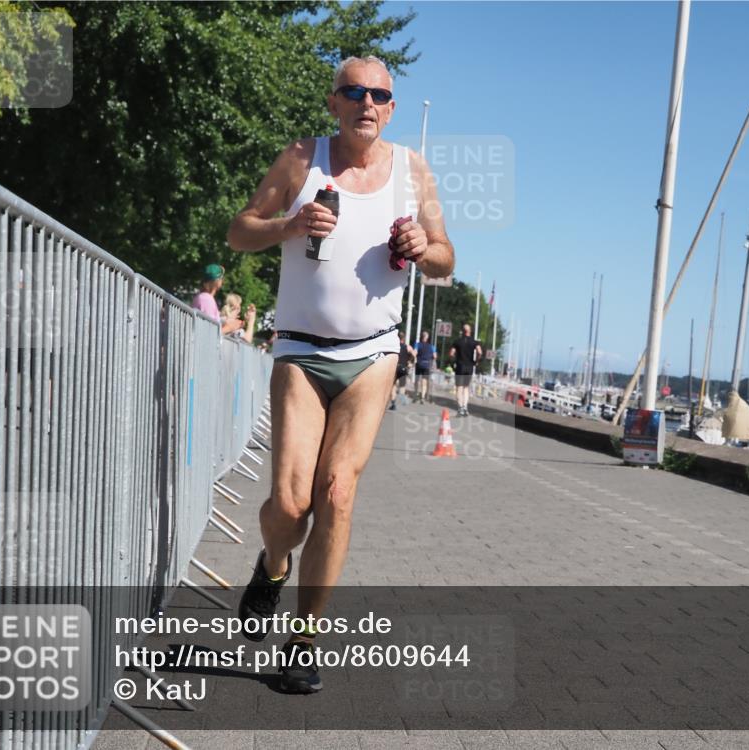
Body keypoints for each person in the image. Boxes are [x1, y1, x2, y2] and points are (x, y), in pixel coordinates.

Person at [225, 55, 454, 693]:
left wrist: (421, 249)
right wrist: (290, 225)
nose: (368, 103)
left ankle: (303, 642)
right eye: (354, 92)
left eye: (380, 94)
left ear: (391, 106)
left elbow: (445, 255)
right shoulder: (302, 158)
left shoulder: (413, 171)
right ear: (334, 102)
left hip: (374, 353)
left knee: (337, 493)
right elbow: (239, 232)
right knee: (292, 506)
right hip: (299, 349)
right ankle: (272, 564)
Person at [192, 264, 244, 336]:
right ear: (217, 281)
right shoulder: (207, 299)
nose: (222, 280)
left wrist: (228, 321)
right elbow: (209, 333)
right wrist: (229, 327)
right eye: (221, 277)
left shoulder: (203, 297)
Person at [449, 323, 482, 416]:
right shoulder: (474, 342)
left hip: (460, 366)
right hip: (469, 366)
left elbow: (451, 353)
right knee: (466, 387)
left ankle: (460, 408)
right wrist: (476, 361)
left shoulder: (457, 342)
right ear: (470, 331)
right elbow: (480, 352)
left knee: (459, 387)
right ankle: (465, 407)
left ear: (462, 331)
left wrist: (453, 362)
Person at [390, 330, 415, 410]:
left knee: (393, 386)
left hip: (395, 367)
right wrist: (410, 362)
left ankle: (393, 403)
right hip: (403, 368)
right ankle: (402, 400)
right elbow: (414, 354)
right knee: (402, 386)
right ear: (403, 338)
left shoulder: (393, 346)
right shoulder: (407, 347)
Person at [412, 330, 436, 403]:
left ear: (421, 336)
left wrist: (414, 359)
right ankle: (422, 397)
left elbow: (414, 353)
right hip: (427, 365)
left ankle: (416, 395)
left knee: (417, 380)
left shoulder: (417, 344)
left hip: (419, 364)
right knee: (424, 381)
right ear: (427, 337)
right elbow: (435, 356)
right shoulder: (432, 346)